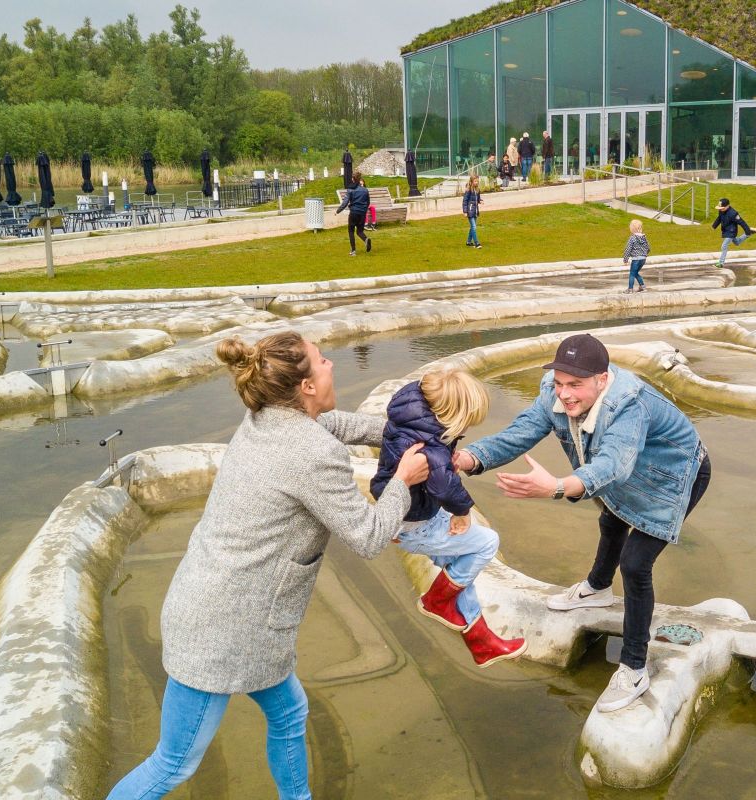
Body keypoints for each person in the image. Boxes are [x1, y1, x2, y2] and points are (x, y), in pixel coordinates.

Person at [106, 332, 430, 800]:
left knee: (289, 713)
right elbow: (369, 536)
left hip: (228, 609)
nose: (332, 365)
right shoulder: (311, 454)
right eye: (323, 361)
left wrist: (394, 433)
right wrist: (403, 480)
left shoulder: (265, 417)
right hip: (223, 629)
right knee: (174, 762)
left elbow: (330, 424)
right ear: (306, 388)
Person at [453, 334, 711, 714]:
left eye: (575, 384)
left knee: (637, 564)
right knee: (611, 520)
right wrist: (471, 458)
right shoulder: (555, 394)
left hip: (674, 475)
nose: (565, 394)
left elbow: (613, 466)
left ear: (602, 380)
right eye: (559, 382)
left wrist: (557, 488)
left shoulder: (630, 405)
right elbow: (521, 432)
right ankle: (597, 588)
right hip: (630, 470)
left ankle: (634, 667)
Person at [371, 369, 527, 667]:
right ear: (453, 415)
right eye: (467, 422)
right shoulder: (430, 447)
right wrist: (463, 512)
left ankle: (482, 643)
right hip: (417, 524)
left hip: (406, 514)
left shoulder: (410, 416)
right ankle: (437, 601)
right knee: (486, 543)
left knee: (457, 573)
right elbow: (445, 486)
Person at [711, 197, 756, 267]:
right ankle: (750, 232)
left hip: (731, 231)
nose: (721, 209)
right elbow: (719, 218)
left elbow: (742, 222)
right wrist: (714, 226)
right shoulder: (721, 210)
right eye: (720, 208)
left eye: (722, 208)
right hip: (726, 230)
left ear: (727, 206)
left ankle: (721, 263)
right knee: (737, 242)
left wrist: (746, 230)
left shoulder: (733, 214)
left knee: (724, 246)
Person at [336, 171, 372, 256]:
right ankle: (366, 239)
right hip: (362, 213)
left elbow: (345, 203)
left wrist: (337, 211)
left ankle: (353, 251)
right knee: (359, 231)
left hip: (354, 213)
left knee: (351, 231)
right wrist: (364, 210)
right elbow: (368, 202)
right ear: (359, 180)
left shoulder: (350, 190)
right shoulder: (365, 190)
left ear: (353, 179)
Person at [621, 218, 650, 293]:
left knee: (632, 274)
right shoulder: (644, 237)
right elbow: (648, 247)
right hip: (643, 259)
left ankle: (630, 289)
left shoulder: (632, 238)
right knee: (635, 272)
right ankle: (642, 287)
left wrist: (625, 260)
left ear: (632, 229)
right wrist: (645, 254)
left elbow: (628, 249)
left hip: (636, 259)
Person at [462, 174, 483, 249]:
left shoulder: (477, 190)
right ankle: (477, 243)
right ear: (471, 181)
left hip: (475, 211)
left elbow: (478, 199)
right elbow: (465, 201)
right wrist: (465, 211)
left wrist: (480, 201)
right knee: (474, 227)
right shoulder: (468, 190)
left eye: (477, 181)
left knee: (472, 227)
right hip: (470, 211)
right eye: (475, 181)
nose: (476, 182)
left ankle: (468, 242)